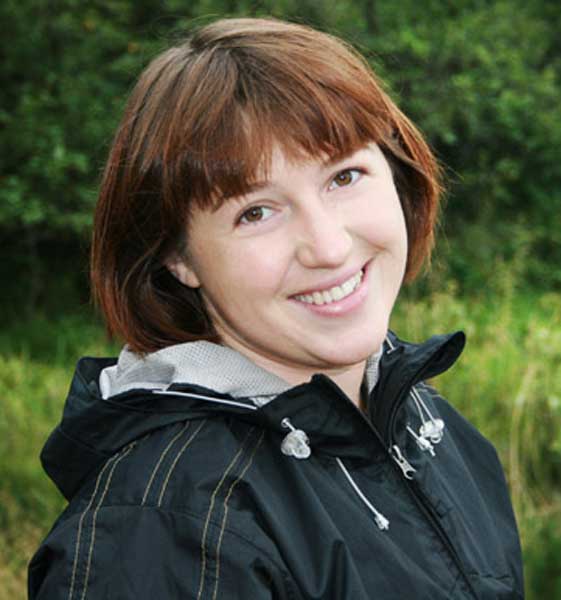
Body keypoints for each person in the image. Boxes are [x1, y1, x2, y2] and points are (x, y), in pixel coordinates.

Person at [28, 17, 524, 599]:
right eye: (256, 212)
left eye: (345, 176)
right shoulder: (163, 533)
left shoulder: (430, 426)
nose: (328, 247)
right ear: (178, 257)